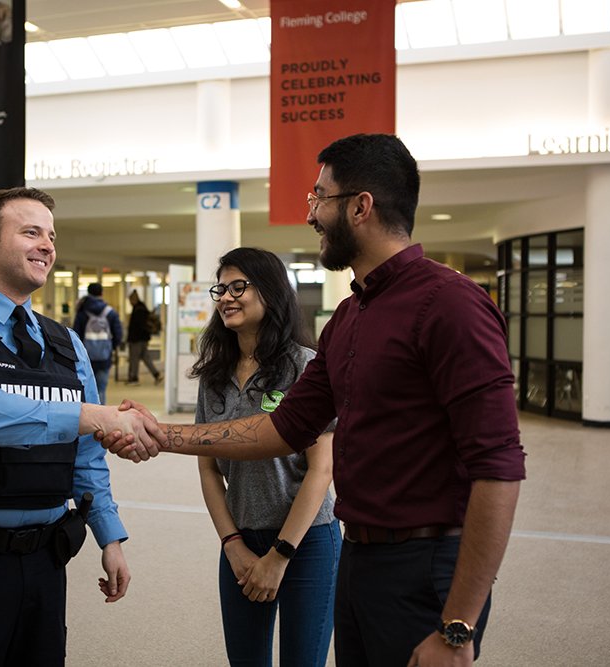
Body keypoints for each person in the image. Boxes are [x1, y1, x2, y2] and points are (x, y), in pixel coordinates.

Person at [106, 134, 525, 667]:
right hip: (358, 557)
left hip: (427, 565)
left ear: (360, 206)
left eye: (317, 197)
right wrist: (162, 434)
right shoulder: (348, 320)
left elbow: (499, 466)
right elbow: (279, 428)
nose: (310, 214)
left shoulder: (451, 304)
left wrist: (458, 627)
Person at [0, 186, 165, 665]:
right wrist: (89, 415)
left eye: (52, 236)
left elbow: (87, 453)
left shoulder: (66, 343)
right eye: (31, 232)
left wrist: (110, 535)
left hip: (44, 561)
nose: (47, 246)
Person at [194, 247, 340, 666]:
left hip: (307, 541)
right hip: (241, 538)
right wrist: (233, 545)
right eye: (221, 288)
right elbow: (207, 466)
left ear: (272, 293)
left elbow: (321, 469)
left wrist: (280, 555)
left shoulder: (304, 366)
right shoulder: (214, 375)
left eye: (239, 286)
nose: (226, 297)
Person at [73, 282, 123, 404]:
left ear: (88, 293)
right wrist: (110, 347)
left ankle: (88, 418)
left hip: (85, 357)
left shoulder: (82, 311)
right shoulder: (110, 312)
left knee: (85, 389)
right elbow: (119, 335)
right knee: (101, 389)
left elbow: (75, 335)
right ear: (101, 293)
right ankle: (101, 419)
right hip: (104, 357)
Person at [126, 289, 162, 385]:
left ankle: (134, 378)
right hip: (143, 339)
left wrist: (131, 338)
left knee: (134, 358)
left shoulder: (138, 310)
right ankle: (156, 374)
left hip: (137, 339)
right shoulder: (142, 308)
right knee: (145, 357)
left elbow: (138, 326)